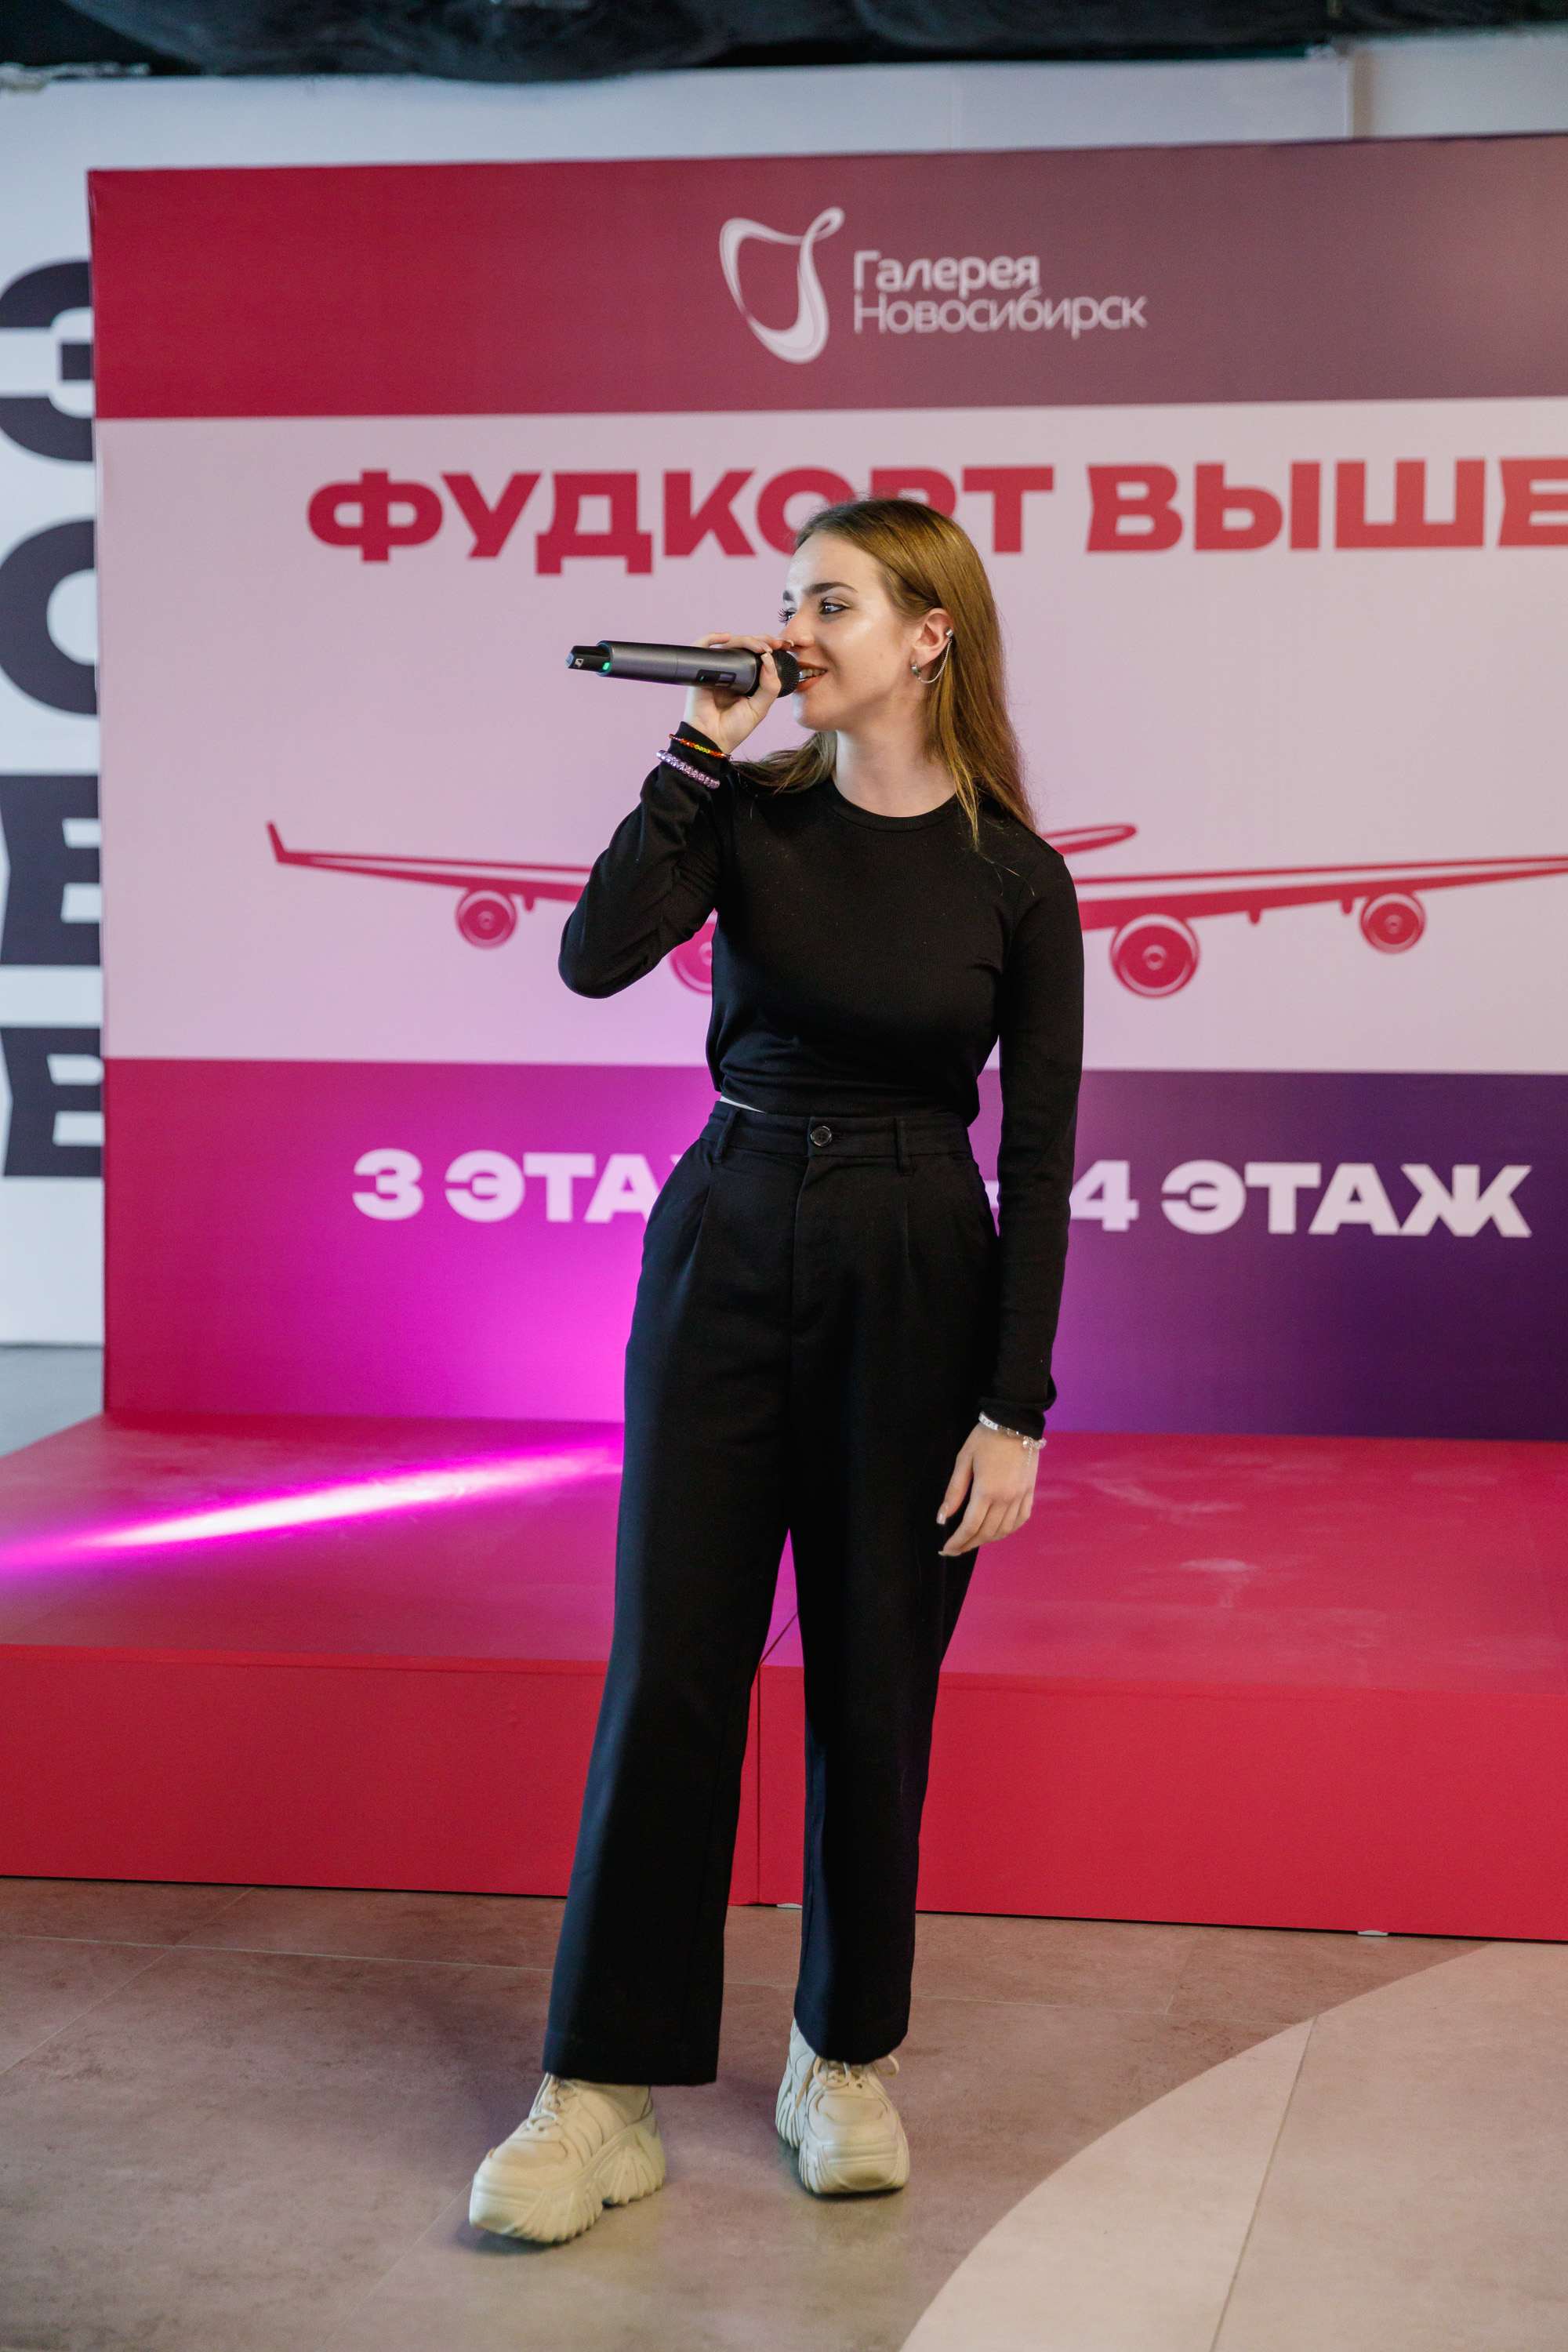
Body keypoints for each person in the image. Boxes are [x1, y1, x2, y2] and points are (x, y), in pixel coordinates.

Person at [469, 496, 1084, 2245]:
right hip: (728, 1236)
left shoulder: (1016, 876)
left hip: (916, 1260)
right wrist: (696, 750)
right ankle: (597, 2094)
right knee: (672, 1665)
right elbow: (593, 957)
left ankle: (843, 2057)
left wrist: (1014, 1406)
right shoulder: (744, 811)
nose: (790, 629)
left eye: (829, 603)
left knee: (876, 1688)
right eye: (787, 600)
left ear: (928, 636)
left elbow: (1040, 1160)